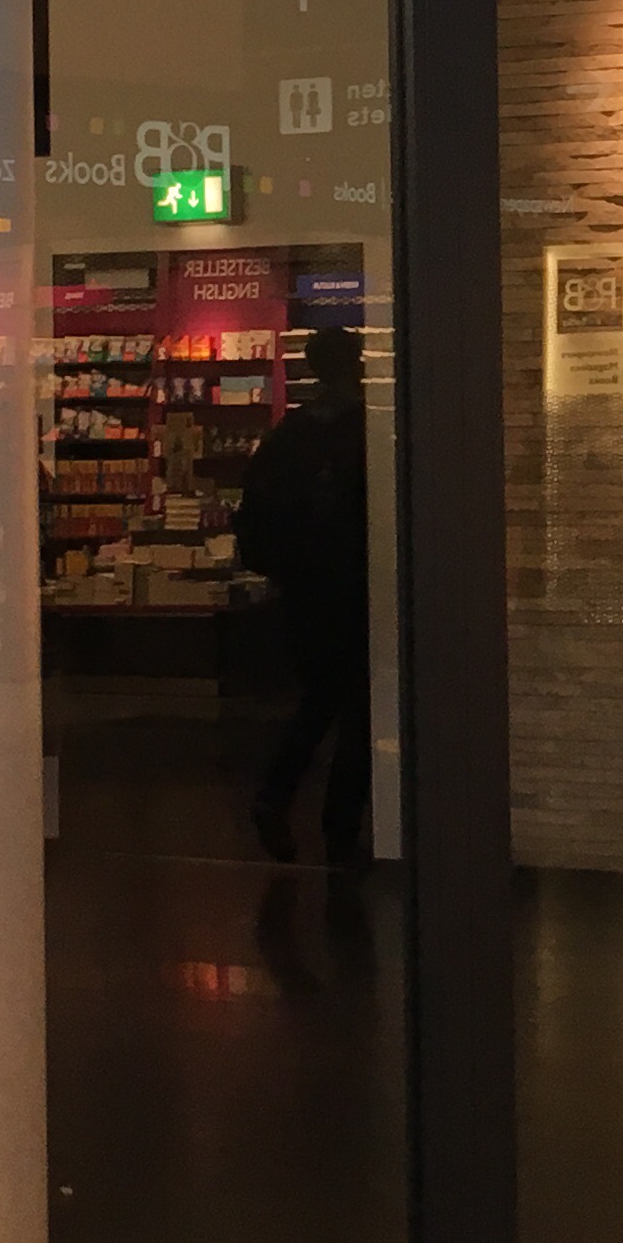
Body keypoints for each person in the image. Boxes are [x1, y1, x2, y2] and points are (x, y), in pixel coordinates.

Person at [237, 324, 374, 871]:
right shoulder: (363, 430)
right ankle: (339, 829)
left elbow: (258, 514)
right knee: (357, 711)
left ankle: (277, 797)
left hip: (305, 591)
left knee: (320, 700)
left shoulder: (289, 435)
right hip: (353, 586)